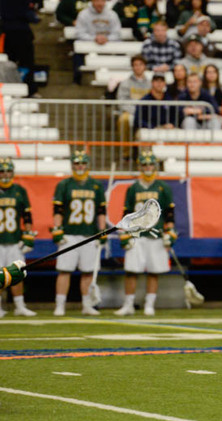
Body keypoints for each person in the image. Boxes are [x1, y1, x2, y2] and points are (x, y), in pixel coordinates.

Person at [114, 151, 176, 317]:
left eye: (150, 165)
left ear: (154, 167)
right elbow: (127, 212)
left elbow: (169, 213)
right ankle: (128, 304)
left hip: (156, 235)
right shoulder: (133, 188)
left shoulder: (163, 187)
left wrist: (170, 231)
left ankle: (150, 304)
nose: (147, 168)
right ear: (140, 166)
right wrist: (125, 232)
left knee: (154, 271)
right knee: (131, 270)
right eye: (144, 165)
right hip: (136, 235)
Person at [52, 151, 107, 317]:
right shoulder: (64, 185)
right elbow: (58, 210)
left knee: (88, 271)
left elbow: (101, 211)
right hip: (69, 233)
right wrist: (58, 229)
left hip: (89, 234)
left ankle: (86, 305)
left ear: (87, 165)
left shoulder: (96, 186)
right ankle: (60, 305)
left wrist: (102, 231)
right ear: (72, 165)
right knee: (64, 270)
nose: (80, 166)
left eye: (83, 163)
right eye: (77, 163)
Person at [0, 158, 36, 316]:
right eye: (2, 171)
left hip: (14, 240)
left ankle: (20, 306)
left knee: (17, 272)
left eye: (8, 171)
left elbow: (27, 216)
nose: (5, 174)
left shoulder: (19, 190)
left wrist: (28, 234)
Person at [116, 55, 151, 156]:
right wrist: (135, 111)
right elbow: (121, 101)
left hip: (147, 112)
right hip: (130, 111)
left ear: (145, 66)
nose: (138, 67)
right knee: (123, 120)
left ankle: (146, 154)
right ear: (132, 67)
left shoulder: (151, 83)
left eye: (140, 64)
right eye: (135, 65)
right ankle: (126, 152)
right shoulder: (125, 83)